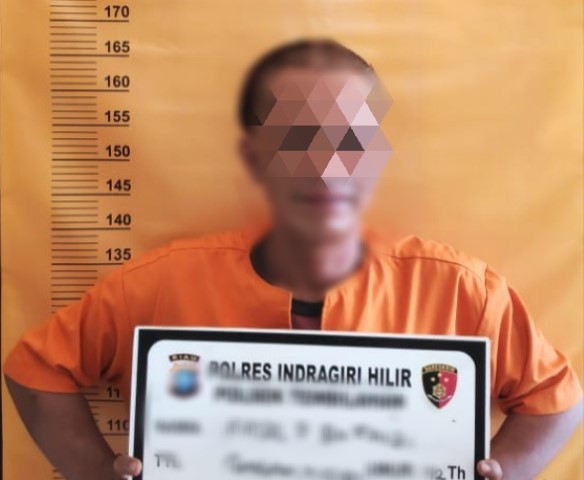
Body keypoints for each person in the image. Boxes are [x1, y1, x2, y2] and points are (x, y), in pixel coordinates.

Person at [4, 38, 583, 480]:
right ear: (255, 156)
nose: (327, 166)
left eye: (351, 140)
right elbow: (36, 369)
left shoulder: (461, 290)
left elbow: (556, 401)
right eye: (298, 137)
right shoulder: (160, 284)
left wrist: (496, 473)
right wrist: (96, 473)